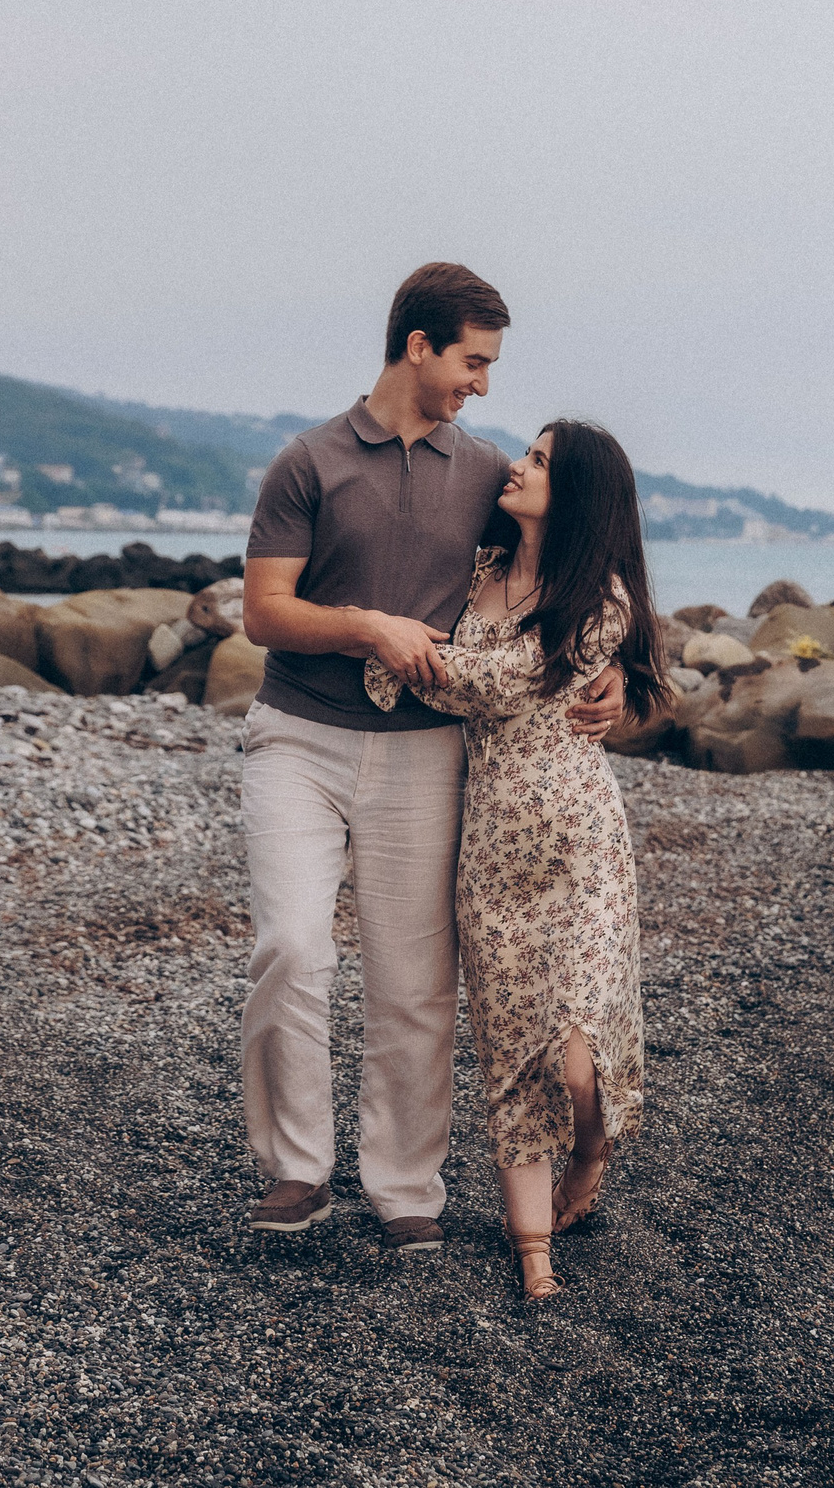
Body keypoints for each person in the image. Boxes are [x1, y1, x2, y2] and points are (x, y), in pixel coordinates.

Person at [234, 263, 626, 1254]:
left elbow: (573, 568)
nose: (482, 385)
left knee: (415, 984)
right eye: (472, 361)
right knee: (291, 946)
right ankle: (296, 1170)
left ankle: (404, 1183)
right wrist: (368, 626)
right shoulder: (307, 463)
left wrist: (625, 682)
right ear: (419, 347)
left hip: (421, 756)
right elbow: (262, 612)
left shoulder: (485, 475)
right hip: (298, 738)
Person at [362, 419, 670, 1300]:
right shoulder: (482, 577)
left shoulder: (601, 599)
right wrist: (389, 636)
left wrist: (396, 656)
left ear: (574, 493)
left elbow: (499, 684)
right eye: (527, 454)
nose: (519, 466)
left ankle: (594, 1144)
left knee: (574, 1053)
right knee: (509, 1048)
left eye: (538, 461)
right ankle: (532, 1246)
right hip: (490, 849)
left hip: (578, 845)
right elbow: (448, 652)